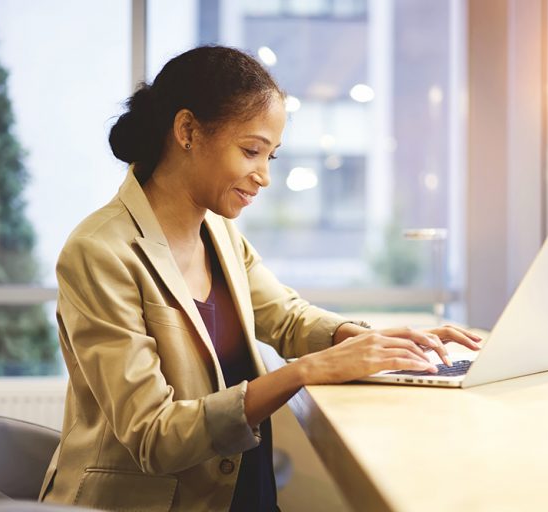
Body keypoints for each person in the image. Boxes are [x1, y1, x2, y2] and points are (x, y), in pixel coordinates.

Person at [38, 45, 481, 512]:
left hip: (240, 490)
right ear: (187, 131)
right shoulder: (99, 251)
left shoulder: (221, 232)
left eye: (271, 155)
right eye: (251, 151)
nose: (264, 177)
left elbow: (287, 318)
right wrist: (305, 371)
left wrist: (371, 344)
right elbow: (155, 436)